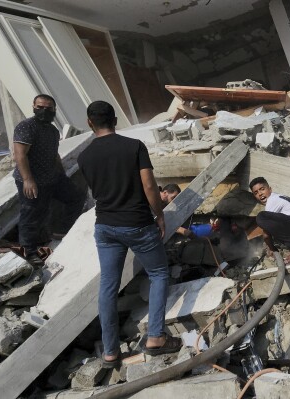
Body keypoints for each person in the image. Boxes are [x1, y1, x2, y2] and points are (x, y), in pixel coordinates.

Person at [77, 101, 182, 368]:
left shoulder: (84, 157)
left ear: (90, 123)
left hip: (105, 227)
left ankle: (110, 353)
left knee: (108, 287)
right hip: (137, 223)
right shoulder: (133, 146)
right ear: (114, 119)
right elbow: (148, 185)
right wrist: (159, 215)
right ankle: (156, 336)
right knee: (158, 274)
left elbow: (96, 192)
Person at [12, 94, 84, 267]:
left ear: (54, 110)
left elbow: (54, 154)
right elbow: (20, 155)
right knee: (31, 213)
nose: (44, 111)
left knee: (75, 197)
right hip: (32, 180)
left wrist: (62, 173)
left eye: (48, 108)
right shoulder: (26, 127)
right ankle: (28, 252)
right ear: (34, 107)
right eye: (40, 107)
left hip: (52, 177)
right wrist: (28, 180)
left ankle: (62, 230)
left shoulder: (52, 131)